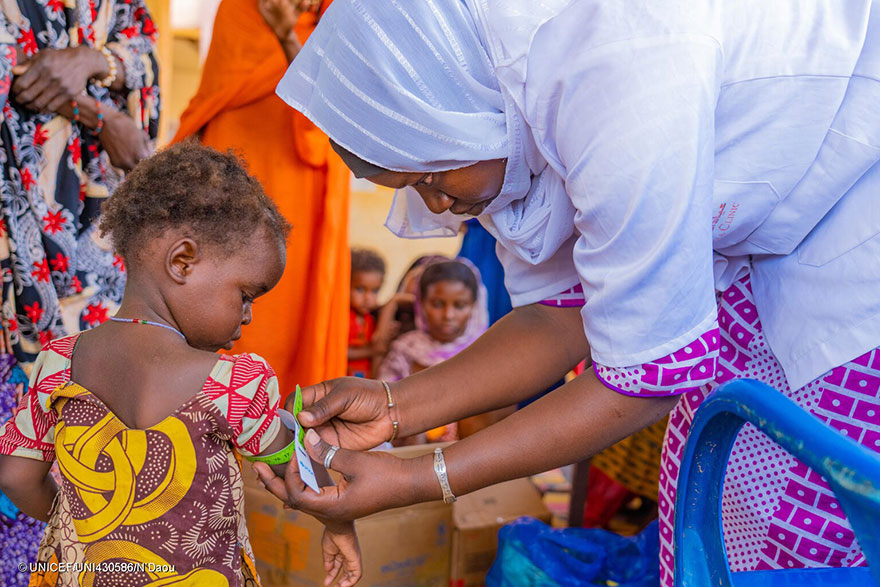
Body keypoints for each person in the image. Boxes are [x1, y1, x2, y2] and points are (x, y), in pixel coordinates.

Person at [256, 0, 880, 583]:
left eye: (430, 174)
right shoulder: (502, 110)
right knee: (715, 503)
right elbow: (558, 319)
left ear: (454, 112)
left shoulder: (616, 80)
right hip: (775, 250)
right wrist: (395, 405)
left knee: (798, 527)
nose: (438, 202)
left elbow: (648, 378)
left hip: (854, 247)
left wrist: (418, 478)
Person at [0, 144, 360, 587]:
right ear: (182, 261)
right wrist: (340, 522)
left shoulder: (57, 363)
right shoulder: (235, 385)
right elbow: (301, 473)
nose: (247, 317)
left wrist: (82, 530)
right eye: (245, 295)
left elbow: (16, 476)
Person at [0, 3, 158, 583]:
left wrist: (97, 59)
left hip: (88, 234)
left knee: (81, 441)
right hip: (11, 249)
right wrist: (93, 109)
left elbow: (139, 45)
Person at [172, 0, 350, 393]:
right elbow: (215, 95)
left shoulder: (339, 15)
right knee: (218, 294)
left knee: (288, 312)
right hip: (230, 178)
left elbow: (331, 116)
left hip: (303, 186)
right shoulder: (238, 9)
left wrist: (287, 35)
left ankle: (281, 426)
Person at [378, 259, 489, 443]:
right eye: (437, 304)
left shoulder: (487, 350)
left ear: (474, 306)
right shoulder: (406, 350)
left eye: (460, 305)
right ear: (421, 304)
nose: (448, 315)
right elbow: (382, 408)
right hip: (411, 456)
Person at [347, 248, 387, 377]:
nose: (368, 298)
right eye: (360, 289)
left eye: (375, 291)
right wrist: (371, 351)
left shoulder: (371, 319)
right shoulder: (344, 318)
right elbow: (340, 352)